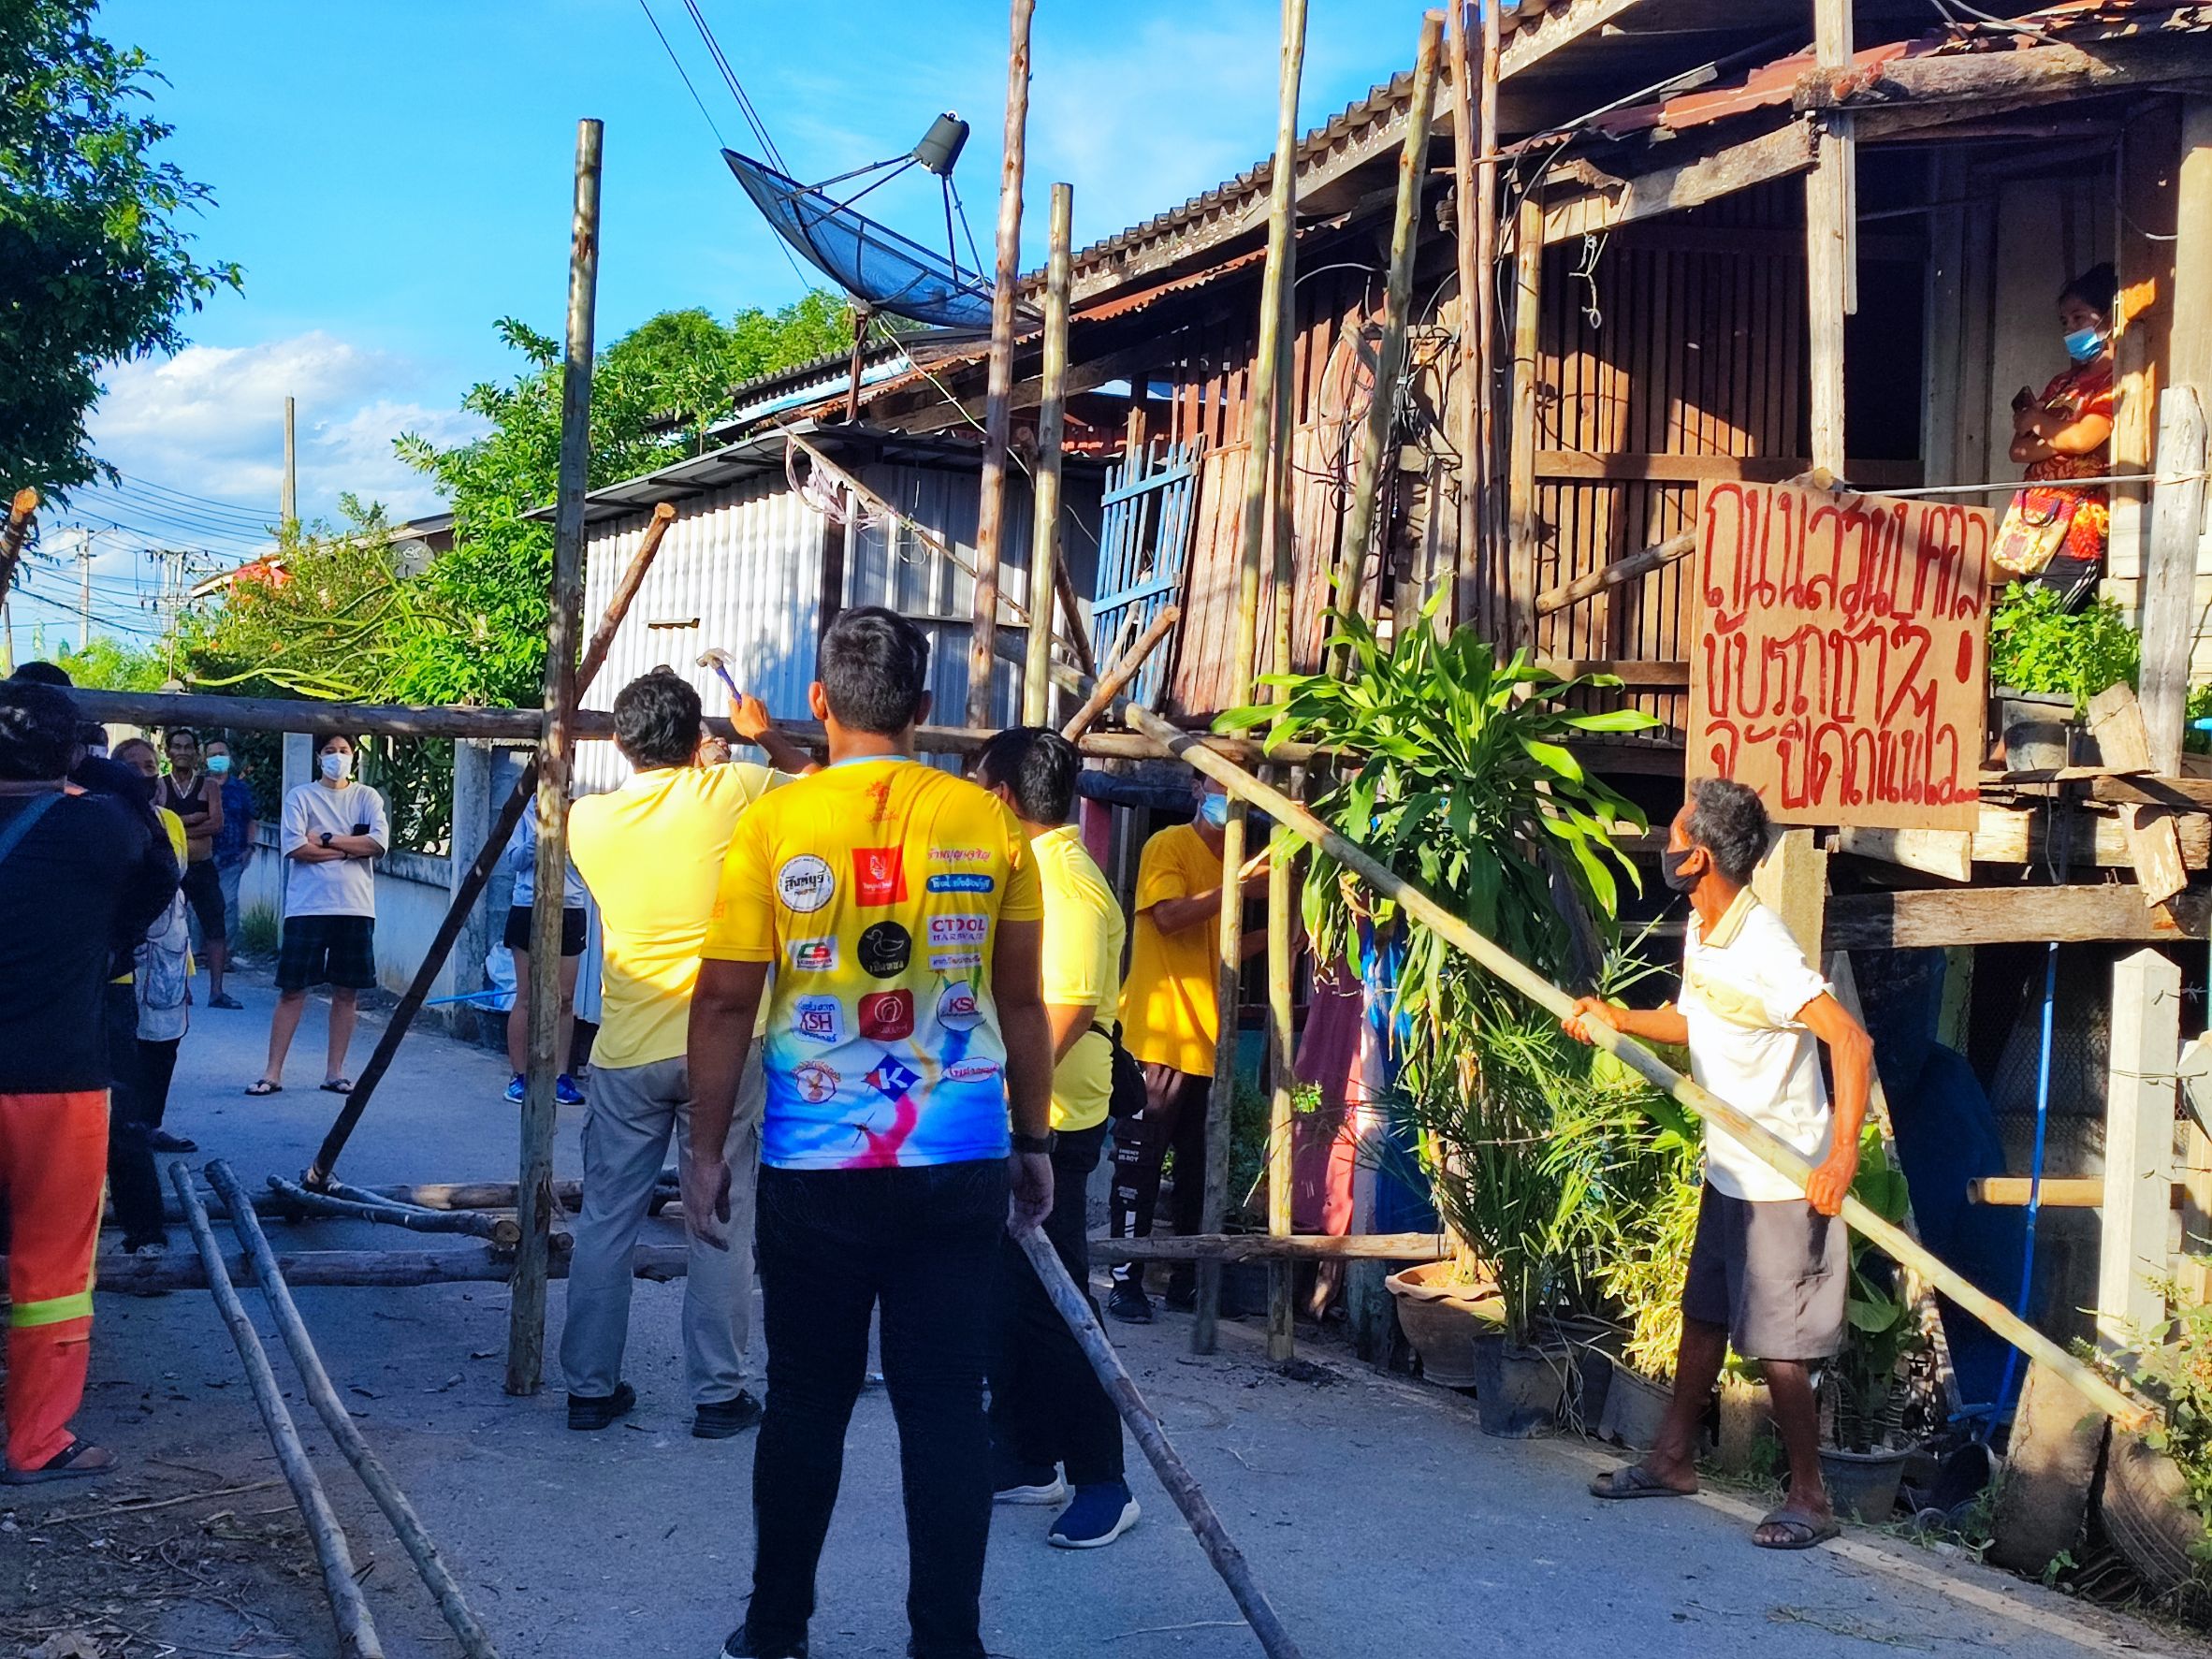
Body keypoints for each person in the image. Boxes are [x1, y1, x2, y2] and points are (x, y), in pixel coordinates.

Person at [686, 606, 1055, 1659]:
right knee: (944, 1406)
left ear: (818, 702)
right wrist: (1033, 1141)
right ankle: (947, 1642)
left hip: (816, 1164)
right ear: (922, 708)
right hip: (958, 1155)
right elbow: (1021, 1003)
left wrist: (705, 1153)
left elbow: (724, 1002)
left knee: (806, 1400)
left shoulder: (774, 824)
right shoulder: (991, 823)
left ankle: (775, 1629)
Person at [1568, 777, 1873, 1550]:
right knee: (1703, 1315)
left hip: (1783, 1177)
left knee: (1780, 1345)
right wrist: (1615, 1018)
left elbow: (1850, 1039)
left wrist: (1842, 1155)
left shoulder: (1765, 944)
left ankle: (1810, 1496)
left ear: (1697, 857)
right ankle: (1672, 1458)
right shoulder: (1704, 928)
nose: (1668, 846)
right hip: (1729, 1166)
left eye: (1675, 835)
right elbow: (1694, 1018)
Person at [561, 669, 817, 1437]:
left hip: (626, 1045)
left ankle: (589, 1388)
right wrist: (763, 734)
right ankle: (717, 1393)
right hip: (728, 1042)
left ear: (619, 742)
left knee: (607, 1219)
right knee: (720, 1218)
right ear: (698, 735)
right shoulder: (736, 789)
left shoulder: (586, 819)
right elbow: (820, 786)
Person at [0, 679, 177, 1482]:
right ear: (71, 751)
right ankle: (36, 1440)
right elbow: (161, 865)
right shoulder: (97, 829)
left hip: (52, 1074)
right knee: (52, 1272)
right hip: (58, 1078)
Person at [973, 726, 1139, 1550]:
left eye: (980, 787)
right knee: (1016, 1299)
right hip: (1021, 1116)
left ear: (1004, 797)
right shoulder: (1028, 870)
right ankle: (1028, 1454)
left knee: (1063, 1303)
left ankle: (1104, 1477)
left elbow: (1064, 1014)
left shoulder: (1065, 885)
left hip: (1055, 1125)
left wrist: (1009, 1102)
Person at [1106, 776, 1266, 1323]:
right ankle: (1124, 1280)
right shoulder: (1168, 845)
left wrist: (1280, 936)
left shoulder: (1230, 863)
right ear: (1198, 787)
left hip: (1206, 1043)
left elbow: (1218, 947)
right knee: (1139, 1168)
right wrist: (1238, 883)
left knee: (1198, 1175)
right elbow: (1169, 917)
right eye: (1219, 780)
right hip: (1158, 1039)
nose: (1228, 793)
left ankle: (1186, 1282)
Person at [252, 733, 386, 1096]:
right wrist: (350, 849)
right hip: (307, 906)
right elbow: (296, 847)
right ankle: (272, 1072)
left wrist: (326, 839)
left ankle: (335, 1072)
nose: (337, 757)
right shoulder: (301, 797)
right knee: (292, 990)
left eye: (344, 751)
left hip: (355, 906)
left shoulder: (366, 797)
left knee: (347, 992)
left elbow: (376, 843)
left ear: (353, 756)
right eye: (330, 751)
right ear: (318, 757)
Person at [2001, 263, 2118, 608]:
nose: (2070, 329)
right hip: (2032, 527)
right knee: (2025, 622)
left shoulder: (2116, 380)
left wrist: (2041, 424)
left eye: (2079, 317)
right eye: (2065, 322)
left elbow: (2085, 439)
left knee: (2047, 622)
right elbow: (2018, 451)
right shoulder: (2062, 383)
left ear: (2111, 317)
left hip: (2075, 531)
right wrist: (2058, 436)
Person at [114, 738, 198, 1157]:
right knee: (124, 1046)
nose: (145, 774)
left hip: (169, 952)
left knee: (165, 1045)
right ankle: (121, 1130)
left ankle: (151, 1124)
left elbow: (176, 887)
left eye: (151, 766)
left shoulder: (171, 822)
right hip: (123, 955)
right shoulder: (106, 817)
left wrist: (186, 964)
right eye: (134, 766)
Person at [502, 801, 590, 1107]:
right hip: (528, 905)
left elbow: (591, 862)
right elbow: (515, 860)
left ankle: (560, 1076)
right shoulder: (523, 812)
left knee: (565, 998)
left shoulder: (580, 811)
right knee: (526, 996)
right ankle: (519, 1076)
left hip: (571, 906)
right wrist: (540, 834)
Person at [157, 726, 235, 1009]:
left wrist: (178, 825)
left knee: (215, 925)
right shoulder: (160, 786)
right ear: (168, 752)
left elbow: (217, 823)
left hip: (202, 866)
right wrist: (195, 819)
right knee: (171, 928)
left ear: (196, 753)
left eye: (188, 747)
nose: (182, 752)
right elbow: (157, 823)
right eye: (177, 746)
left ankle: (217, 991)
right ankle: (180, 988)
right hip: (171, 868)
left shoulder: (209, 786)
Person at [206, 736, 256, 988]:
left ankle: (226, 955)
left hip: (232, 857)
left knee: (228, 904)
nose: (217, 758)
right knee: (198, 907)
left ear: (229, 757)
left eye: (221, 753)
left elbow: (251, 818)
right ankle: (200, 953)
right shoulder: (199, 786)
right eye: (212, 754)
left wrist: (249, 848)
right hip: (202, 857)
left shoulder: (240, 789)